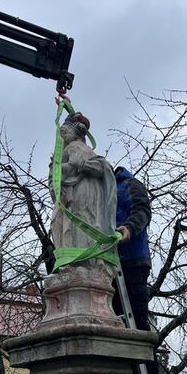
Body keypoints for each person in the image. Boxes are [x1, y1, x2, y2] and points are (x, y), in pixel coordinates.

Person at [111, 165, 164, 374]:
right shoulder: (102, 191)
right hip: (109, 265)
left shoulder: (129, 185)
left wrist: (128, 229)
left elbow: (142, 210)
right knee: (118, 327)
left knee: (137, 323)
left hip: (132, 262)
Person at [48, 112, 117, 281]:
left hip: (81, 192)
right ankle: (78, 262)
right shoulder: (71, 148)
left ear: (75, 134)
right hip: (74, 192)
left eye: (65, 133)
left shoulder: (76, 147)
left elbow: (75, 165)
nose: (62, 137)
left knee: (80, 222)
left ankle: (81, 263)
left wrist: (57, 168)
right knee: (70, 223)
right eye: (61, 133)